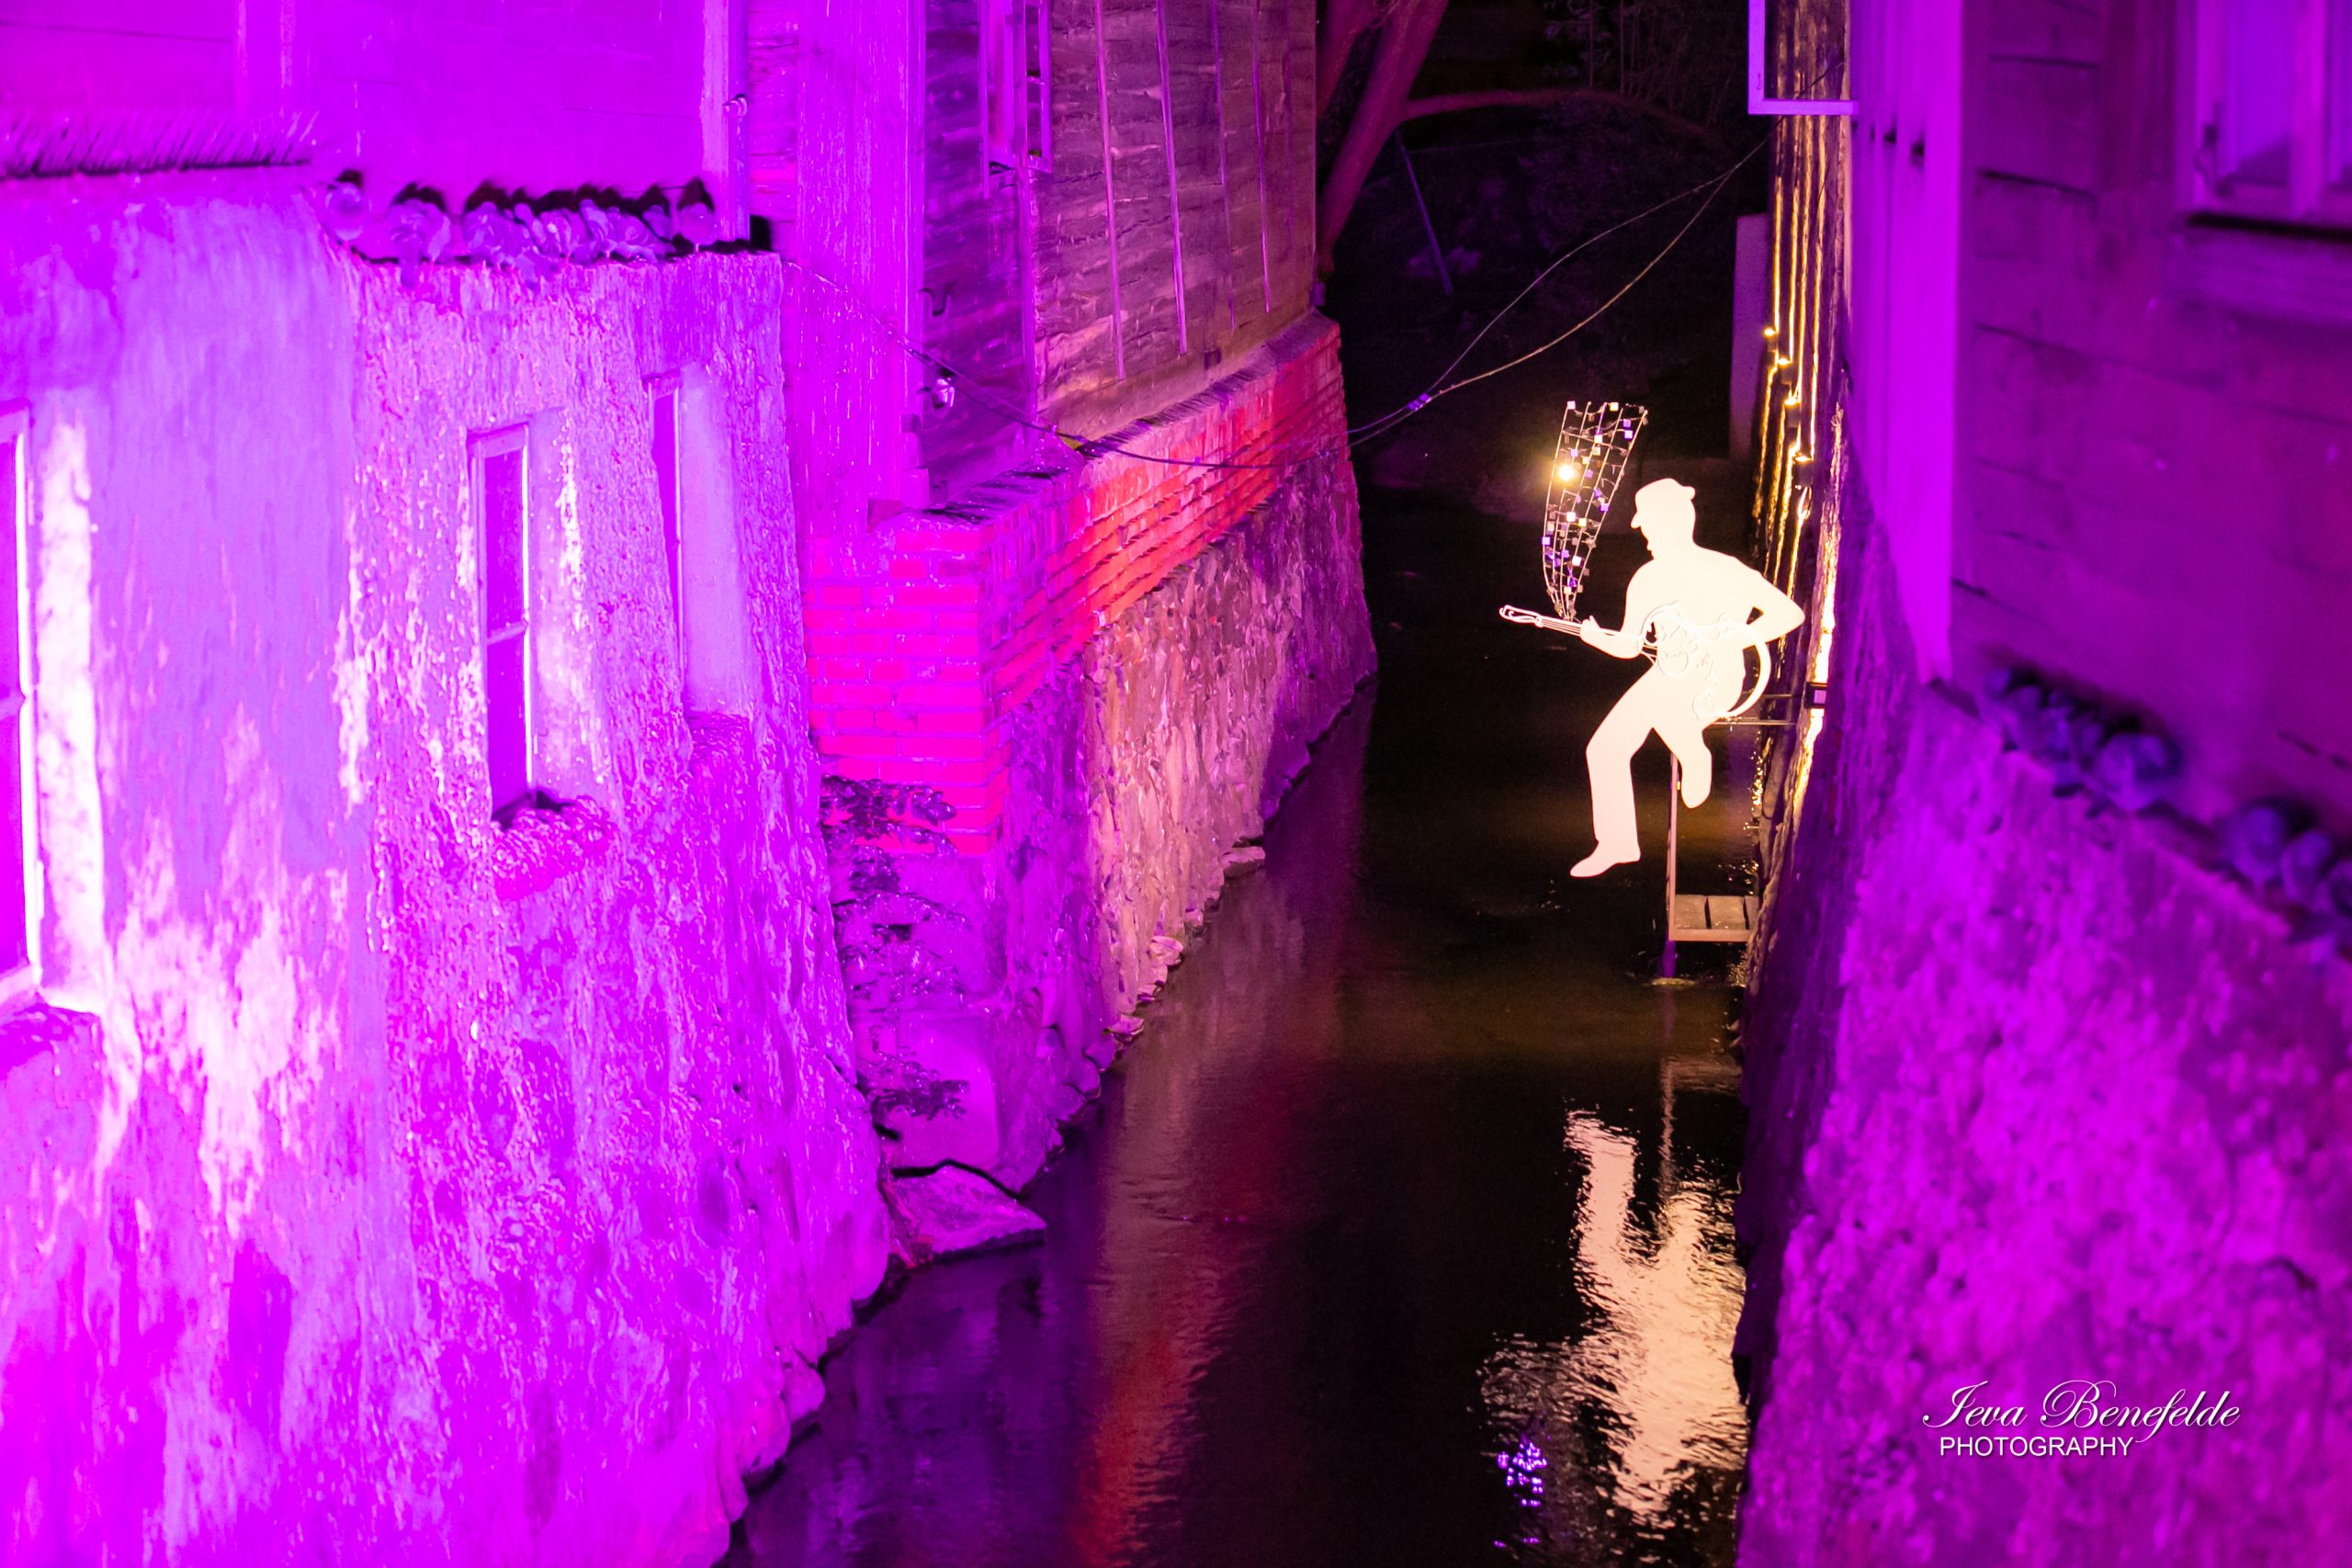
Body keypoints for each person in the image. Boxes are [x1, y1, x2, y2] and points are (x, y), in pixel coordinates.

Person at [1567, 478, 1804, 878]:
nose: (1646, 540)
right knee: (1604, 747)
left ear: (1672, 522)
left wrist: (1735, 637)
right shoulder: (1646, 578)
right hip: (1667, 674)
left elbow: (1789, 614)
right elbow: (1630, 646)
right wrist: (1595, 639)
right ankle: (1617, 843)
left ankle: (1695, 755)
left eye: (1650, 529)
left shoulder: (1727, 570)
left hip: (1717, 676)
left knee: (1668, 713)